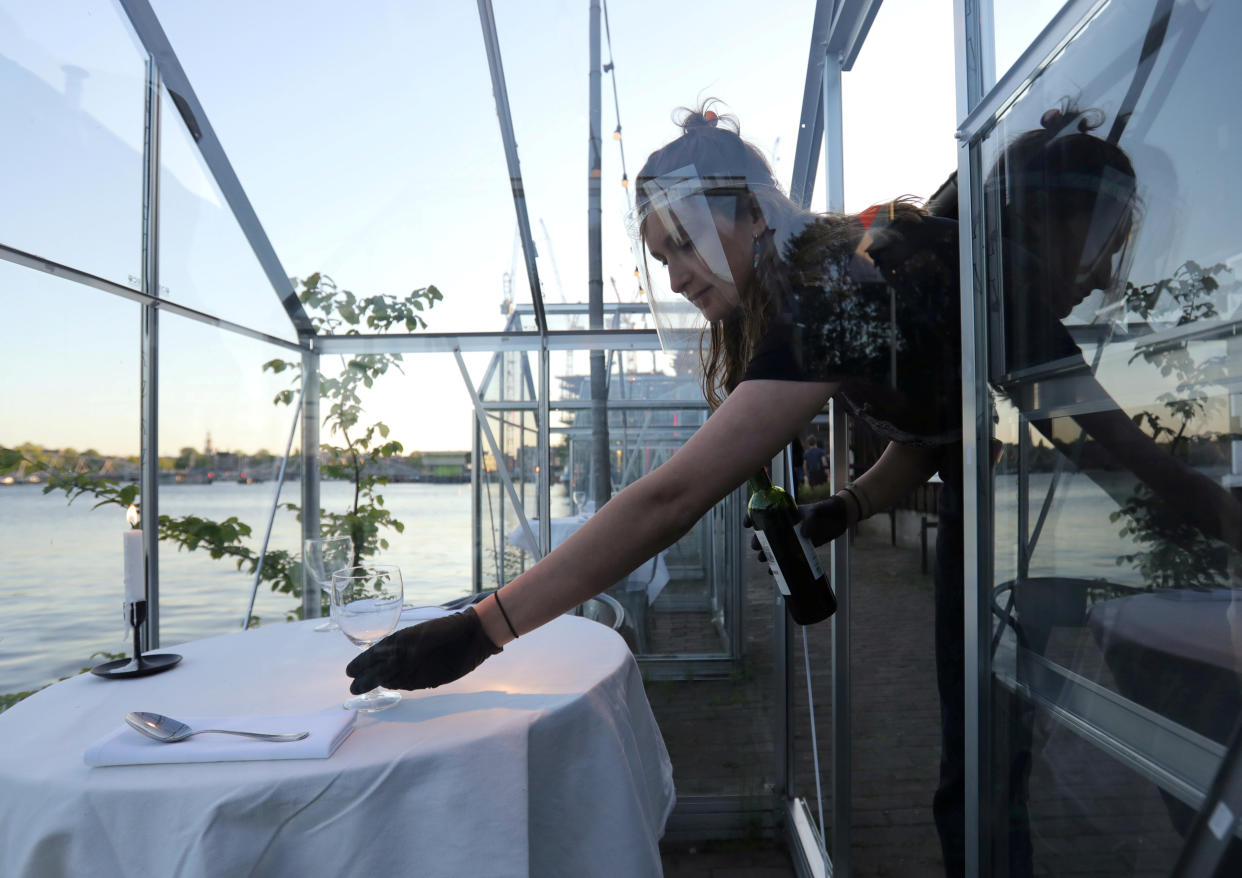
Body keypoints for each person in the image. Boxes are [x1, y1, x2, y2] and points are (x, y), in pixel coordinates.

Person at [345, 101, 1242, 875]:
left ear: (749, 216)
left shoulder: (835, 296)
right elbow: (935, 435)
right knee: (977, 774)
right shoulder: (852, 276)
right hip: (989, 529)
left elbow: (673, 496)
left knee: (990, 779)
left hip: (1004, 538)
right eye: (660, 260)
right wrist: (849, 505)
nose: (677, 275)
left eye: (684, 244)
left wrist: (485, 627)